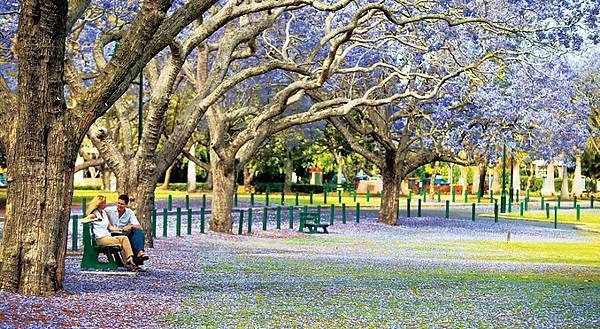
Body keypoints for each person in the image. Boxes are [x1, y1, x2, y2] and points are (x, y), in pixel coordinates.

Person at [82, 195, 142, 272]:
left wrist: (121, 230)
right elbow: (83, 221)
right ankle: (130, 263)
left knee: (124, 238)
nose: (105, 205)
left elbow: (110, 227)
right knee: (123, 241)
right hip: (100, 239)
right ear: (99, 204)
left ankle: (129, 260)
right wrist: (96, 219)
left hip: (107, 237)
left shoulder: (103, 213)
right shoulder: (94, 214)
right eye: (104, 203)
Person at [105, 194, 149, 265]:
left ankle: (140, 252)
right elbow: (100, 211)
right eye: (118, 203)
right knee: (129, 239)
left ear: (126, 205)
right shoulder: (110, 210)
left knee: (138, 232)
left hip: (124, 233)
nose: (119, 205)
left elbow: (139, 226)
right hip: (113, 233)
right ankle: (135, 261)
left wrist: (130, 226)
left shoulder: (129, 212)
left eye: (122, 204)